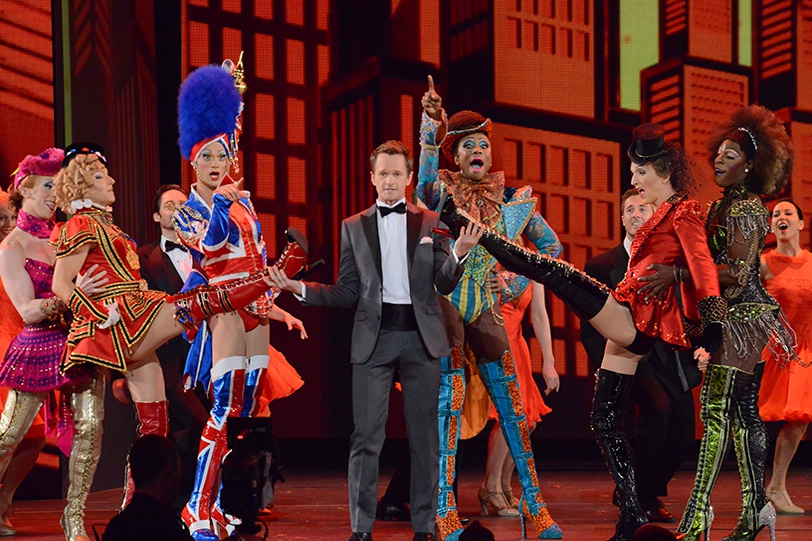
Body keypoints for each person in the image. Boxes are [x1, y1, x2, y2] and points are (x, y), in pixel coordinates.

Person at [440, 122, 725, 541]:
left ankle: (472, 230)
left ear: (662, 172)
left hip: (632, 317)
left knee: (553, 271)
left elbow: (702, 267)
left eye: (639, 173)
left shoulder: (684, 212)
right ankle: (630, 514)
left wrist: (711, 327)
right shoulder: (660, 213)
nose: (632, 180)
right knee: (604, 419)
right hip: (627, 324)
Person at [51, 143, 283, 541]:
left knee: (154, 430)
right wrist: (94, 310)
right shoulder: (81, 225)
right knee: (192, 305)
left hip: (135, 310)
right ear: (87, 183)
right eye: (104, 177)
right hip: (123, 318)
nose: (113, 182)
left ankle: (132, 517)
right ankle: (259, 284)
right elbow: (60, 283)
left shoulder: (108, 226)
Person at [270, 139, 481, 541]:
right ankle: (361, 530)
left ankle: (424, 528)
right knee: (366, 438)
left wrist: (459, 254)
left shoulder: (428, 222)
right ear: (372, 178)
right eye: (382, 173)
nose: (389, 180)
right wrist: (299, 287)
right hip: (374, 339)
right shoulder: (353, 226)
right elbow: (346, 291)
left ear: (408, 178)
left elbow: (442, 282)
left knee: (425, 440)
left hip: (422, 339)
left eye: (396, 174)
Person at [418, 76, 564, 541]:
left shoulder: (510, 202)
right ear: (455, 156)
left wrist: (514, 280)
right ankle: (444, 507)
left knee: (513, 407)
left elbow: (551, 246)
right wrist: (429, 126)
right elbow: (421, 184)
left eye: (483, 145)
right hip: (446, 307)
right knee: (449, 405)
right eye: (468, 147)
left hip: (486, 307)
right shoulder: (442, 194)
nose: (478, 152)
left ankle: (535, 506)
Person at [173, 59, 308, 541]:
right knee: (223, 408)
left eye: (223, 156)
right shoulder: (189, 211)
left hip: (255, 309)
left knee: (245, 413)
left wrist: (281, 300)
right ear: (193, 159)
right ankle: (195, 507)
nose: (216, 165)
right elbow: (209, 251)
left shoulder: (243, 200)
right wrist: (224, 209)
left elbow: (259, 261)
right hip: (223, 309)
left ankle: (219, 504)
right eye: (207, 156)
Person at [652, 106, 797, 541]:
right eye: (719, 152)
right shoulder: (719, 205)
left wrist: (675, 274)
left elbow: (735, 271)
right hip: (730, 317)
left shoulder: (749, 209)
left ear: (751, 165)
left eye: (730, 155)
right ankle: (755, 511)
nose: (719, 159)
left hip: (745, 317)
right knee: (742, 416)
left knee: (715, 413)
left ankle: (698, 514)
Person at [0, 149, 108, 538]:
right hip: (38, 345)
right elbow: (28, 311)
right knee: (10, 434)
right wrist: (70, 293)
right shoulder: (12, 246)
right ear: (24, 189)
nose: (55, 192)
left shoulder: (68, 234)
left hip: (78, 343)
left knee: (91, 427)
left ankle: (74, 516)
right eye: (48, 185)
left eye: (58, 185)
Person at [580, 188, 701, 523]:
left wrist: (701, 344)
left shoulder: (670, 262)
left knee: (683, 431)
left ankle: (642, 488)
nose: (636, 214)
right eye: (630, 209)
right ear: (621, 218)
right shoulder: (601, 265)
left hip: (666, 354)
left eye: (643, 209)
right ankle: (640, 496)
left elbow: (688, 308)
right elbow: (590, 325)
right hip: (624, 356)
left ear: (655, 217)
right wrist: (603, 367)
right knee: (658, 410)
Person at [108, 184, 210, 510]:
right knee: (175, 434)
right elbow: (124, 316)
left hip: (206, 365)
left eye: (183, 205)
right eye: (169, 206)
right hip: (162, 366)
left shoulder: (209, 256)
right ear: (156, 215)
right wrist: (118, 375)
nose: (177, 210)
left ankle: (193, 507)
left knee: (202, 433)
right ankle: (149, 508)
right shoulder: (139, 259)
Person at [479, 271, 557, 518]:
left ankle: (501, 485)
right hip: (492, 344)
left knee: (528, 422)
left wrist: (549, 362)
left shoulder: (529, 260)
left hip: (517, 347)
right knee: (511, 417)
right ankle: (490, 487)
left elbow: (539, 315)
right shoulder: (487, 258)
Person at [758, 199, 811, 515]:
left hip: (806, 351)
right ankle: (759, 488)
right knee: (762, 420)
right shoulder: (764, 263)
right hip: (774, 350)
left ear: (801, 224)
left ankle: (776, 486)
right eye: (776, 214)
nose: (781, 217)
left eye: (788, 213)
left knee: (798, 418)